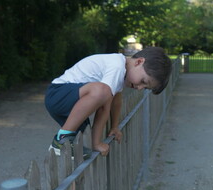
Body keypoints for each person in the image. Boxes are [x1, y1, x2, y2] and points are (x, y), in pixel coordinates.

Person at [44, 47, 172, 157]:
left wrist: (114, 126)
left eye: (145, 88)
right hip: (58, 94)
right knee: (103, 91)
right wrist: (97, 144)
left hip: (70, 103)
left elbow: (116, 102)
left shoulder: (121, 74)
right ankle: (61, 139)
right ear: (139, 62)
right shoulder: (117, 66)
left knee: (82, 141)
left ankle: (67, 144)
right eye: (143, 81)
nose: (139, 88)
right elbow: (104, 108)